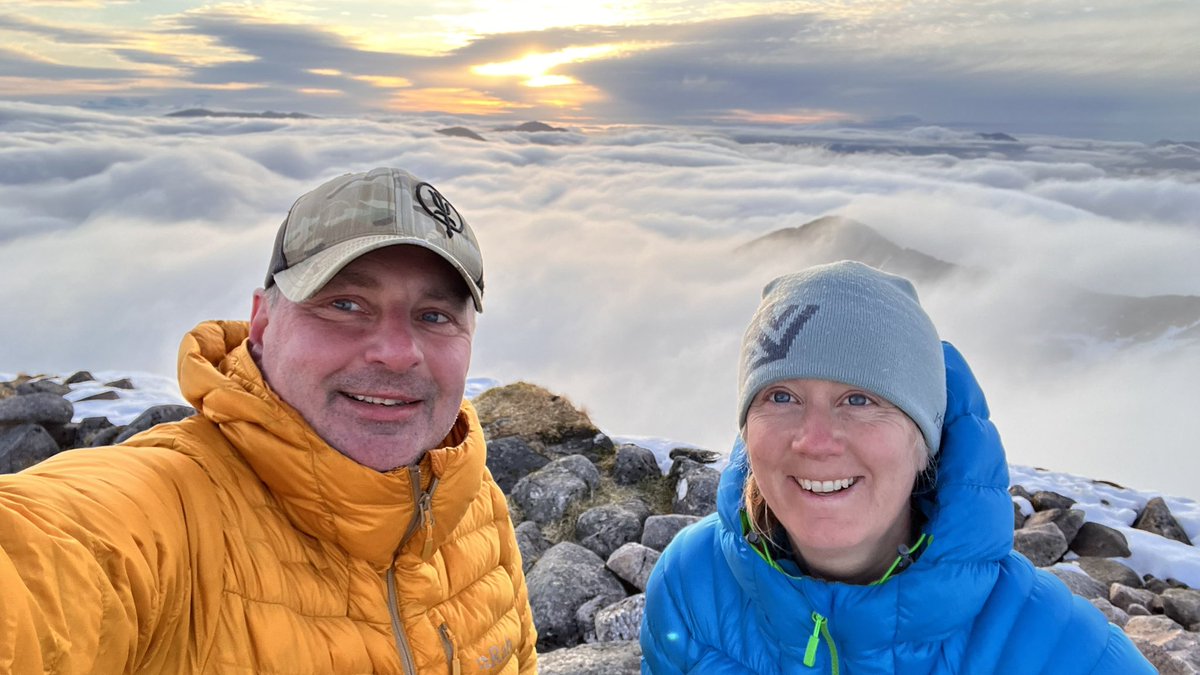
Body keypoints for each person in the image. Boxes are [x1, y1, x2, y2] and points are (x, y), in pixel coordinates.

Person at [0, 167, 538, 673]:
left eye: (434, 316)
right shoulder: (168, 513)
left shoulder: (468, 497)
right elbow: (39, 564)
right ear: (260, 323)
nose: (398, 353)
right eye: (345, 304)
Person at [640, 261, 1152, 673]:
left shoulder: (1064, 653)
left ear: (925, 442)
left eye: (859, 400)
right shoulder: (692, 582)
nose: (815, 441)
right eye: (781, 395)